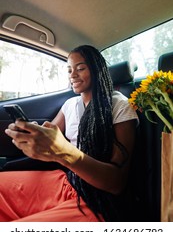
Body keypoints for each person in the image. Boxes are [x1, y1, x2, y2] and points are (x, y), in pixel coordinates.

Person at [0, 45, 138, 222]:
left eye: (80, 68)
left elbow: (116, 183)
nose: (73, 75)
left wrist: (63, 151)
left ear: (97, 70)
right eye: (69, 70)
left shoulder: (118, 105)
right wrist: (33, 133)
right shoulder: (69, 104)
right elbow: (51, 133)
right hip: (66, 180)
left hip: (95, 200)